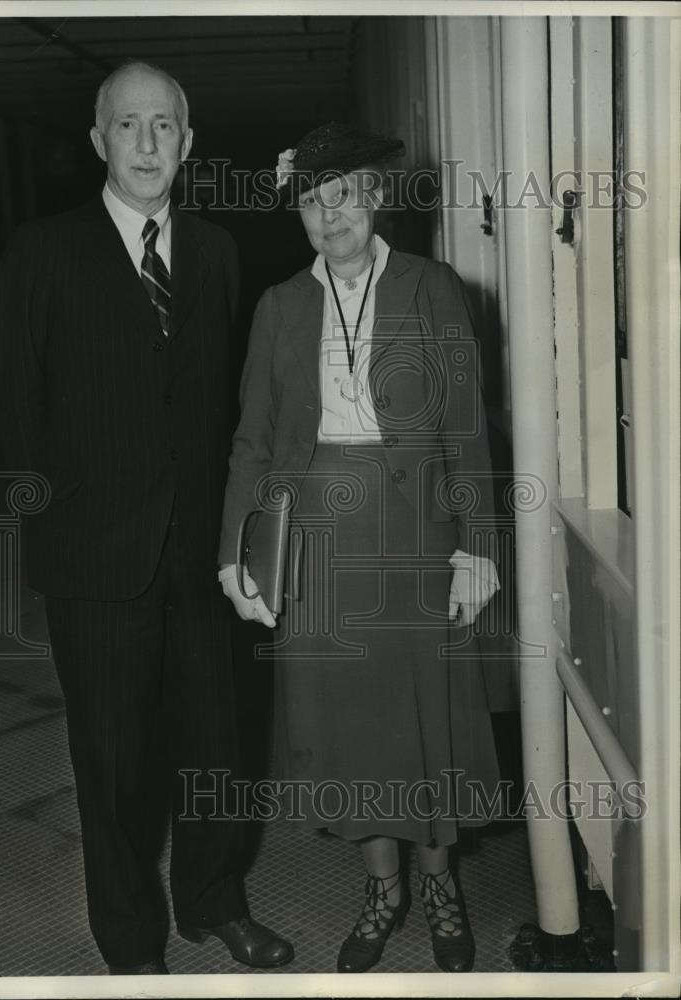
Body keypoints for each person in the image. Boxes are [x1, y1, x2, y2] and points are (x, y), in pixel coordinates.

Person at [0, 60, 293, 976]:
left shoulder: (215, 253)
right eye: (129, 125)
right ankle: (129, 941)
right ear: (99, 142)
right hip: (95, 563)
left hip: (203, 558)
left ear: (189, 144)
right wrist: (64, 531)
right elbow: (14, 416)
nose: (149, 143)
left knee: (217, 749)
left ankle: (212, 901)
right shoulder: (42, 253)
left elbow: (220, 410)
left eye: (165, 126)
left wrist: (236, 541)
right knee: (114, 767)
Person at [219, 122, 502, 974]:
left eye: (341, 194)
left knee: (427, 720)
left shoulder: (432, 287)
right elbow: (253, 442)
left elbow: (466, 429)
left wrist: (477, 547)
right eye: (310, 200)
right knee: (349, 730)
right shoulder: (279, 305)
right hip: (317, 541)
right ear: (298, 215)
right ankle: (382, 893)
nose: (327, 214)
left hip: (416, 532)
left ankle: (441, 885)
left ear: (373, 199)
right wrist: (237, 553)